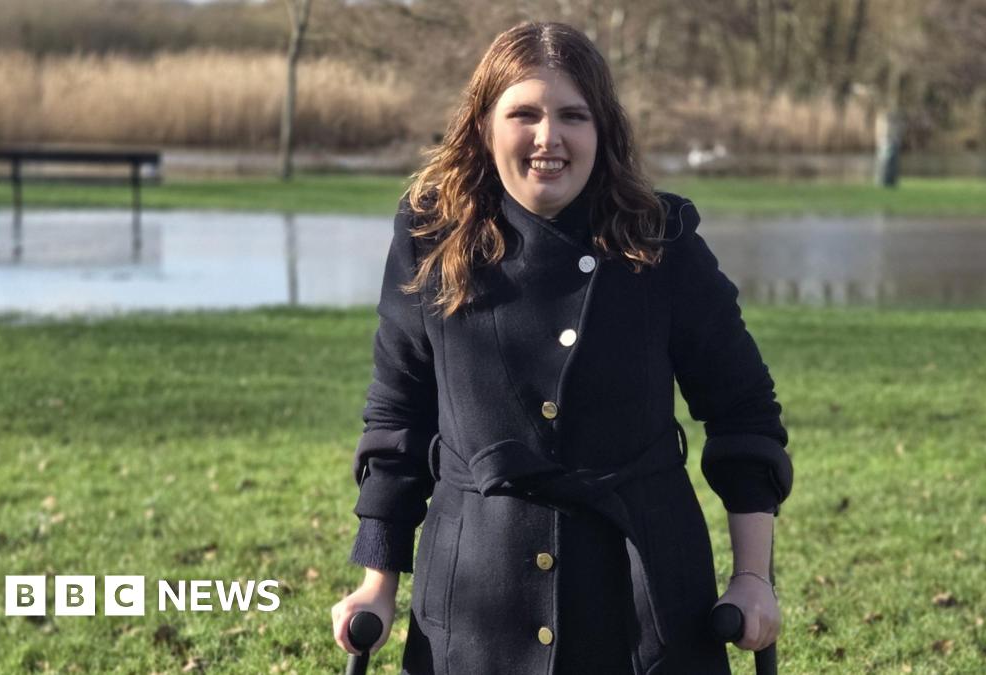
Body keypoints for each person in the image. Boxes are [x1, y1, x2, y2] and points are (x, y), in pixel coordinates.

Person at [330, 20, 792, 675]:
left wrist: (753, 577)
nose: (550, 137)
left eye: (573, 115)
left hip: (645, 598)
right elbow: (397, 418)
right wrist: (377, 579)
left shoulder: (662, 241)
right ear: (484, 126)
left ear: (602, 131)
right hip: (474, 604)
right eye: (524, 113)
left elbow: (744, 411)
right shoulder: (430, 237)